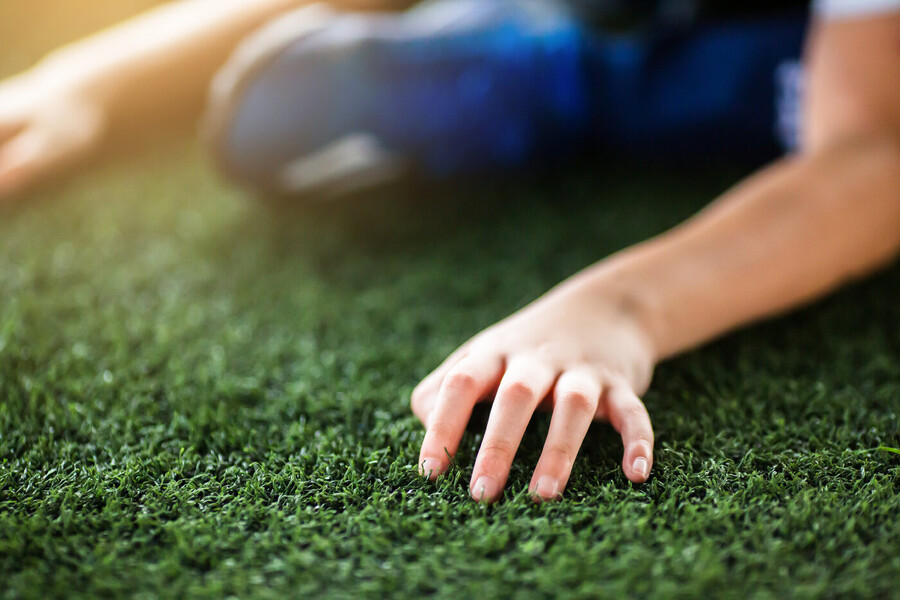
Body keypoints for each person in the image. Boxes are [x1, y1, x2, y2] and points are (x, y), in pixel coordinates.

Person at [1, 0, 899, 503]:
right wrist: (97, 76)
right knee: (269, 101)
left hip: (806, 66)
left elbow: (874, 150)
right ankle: (557, 50)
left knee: (754, 86)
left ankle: (565, 71)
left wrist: (620, 306)